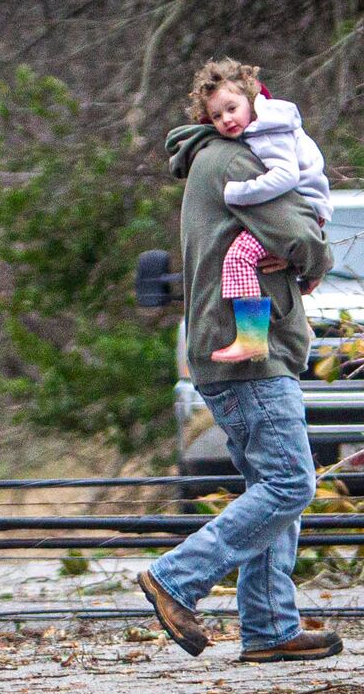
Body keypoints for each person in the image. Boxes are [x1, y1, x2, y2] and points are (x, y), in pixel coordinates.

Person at [137, 59, 344, 663]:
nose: (230, 118)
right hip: (249, 350)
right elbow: (301, 238)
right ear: (208, 116)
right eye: (219, 110)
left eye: (236, 107)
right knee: (290, 482)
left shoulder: (215, 158)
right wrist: (315, 262)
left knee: (268, 481)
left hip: (236, 346)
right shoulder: (237, 161)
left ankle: (270, 626)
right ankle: (177, 578)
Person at [203, 65, 333, 363]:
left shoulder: (266, 131)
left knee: (239, 258)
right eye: (217, 116)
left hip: (305, 208)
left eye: (232, 108)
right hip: (305, 210)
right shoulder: (265, 125)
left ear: (251, 100)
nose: (227, 119)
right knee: (264, 261)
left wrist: (237, 193)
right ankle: (291, 325)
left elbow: (285, 177)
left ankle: (252, 339)